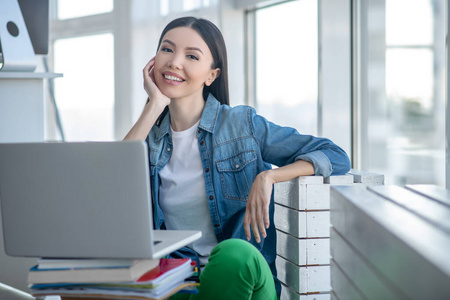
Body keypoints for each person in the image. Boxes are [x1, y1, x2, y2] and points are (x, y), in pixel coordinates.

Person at [124, 16, 351, 300]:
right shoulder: (148, 138)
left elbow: (336, 155)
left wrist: (269, 176)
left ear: (212, 75)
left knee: (233, 255)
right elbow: (113, 188)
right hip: (182, 281)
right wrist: (155, 105)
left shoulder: (242, 125)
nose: (174, 62)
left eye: (191, 56)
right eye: (167, 50)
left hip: (244, 279)